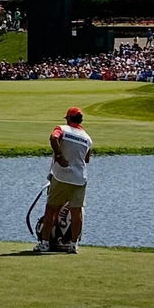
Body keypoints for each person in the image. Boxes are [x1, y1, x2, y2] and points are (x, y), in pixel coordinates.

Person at [37, 105, 92, 252]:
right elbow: (87, 159)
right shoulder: (87, 138)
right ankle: (73, 245)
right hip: (80, 178)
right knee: (76, 211)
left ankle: (45, 243)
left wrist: (59, 155)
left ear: (68, 119)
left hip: (61, 176)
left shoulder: (62, 129)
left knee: (51, 209)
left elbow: (53, 138)